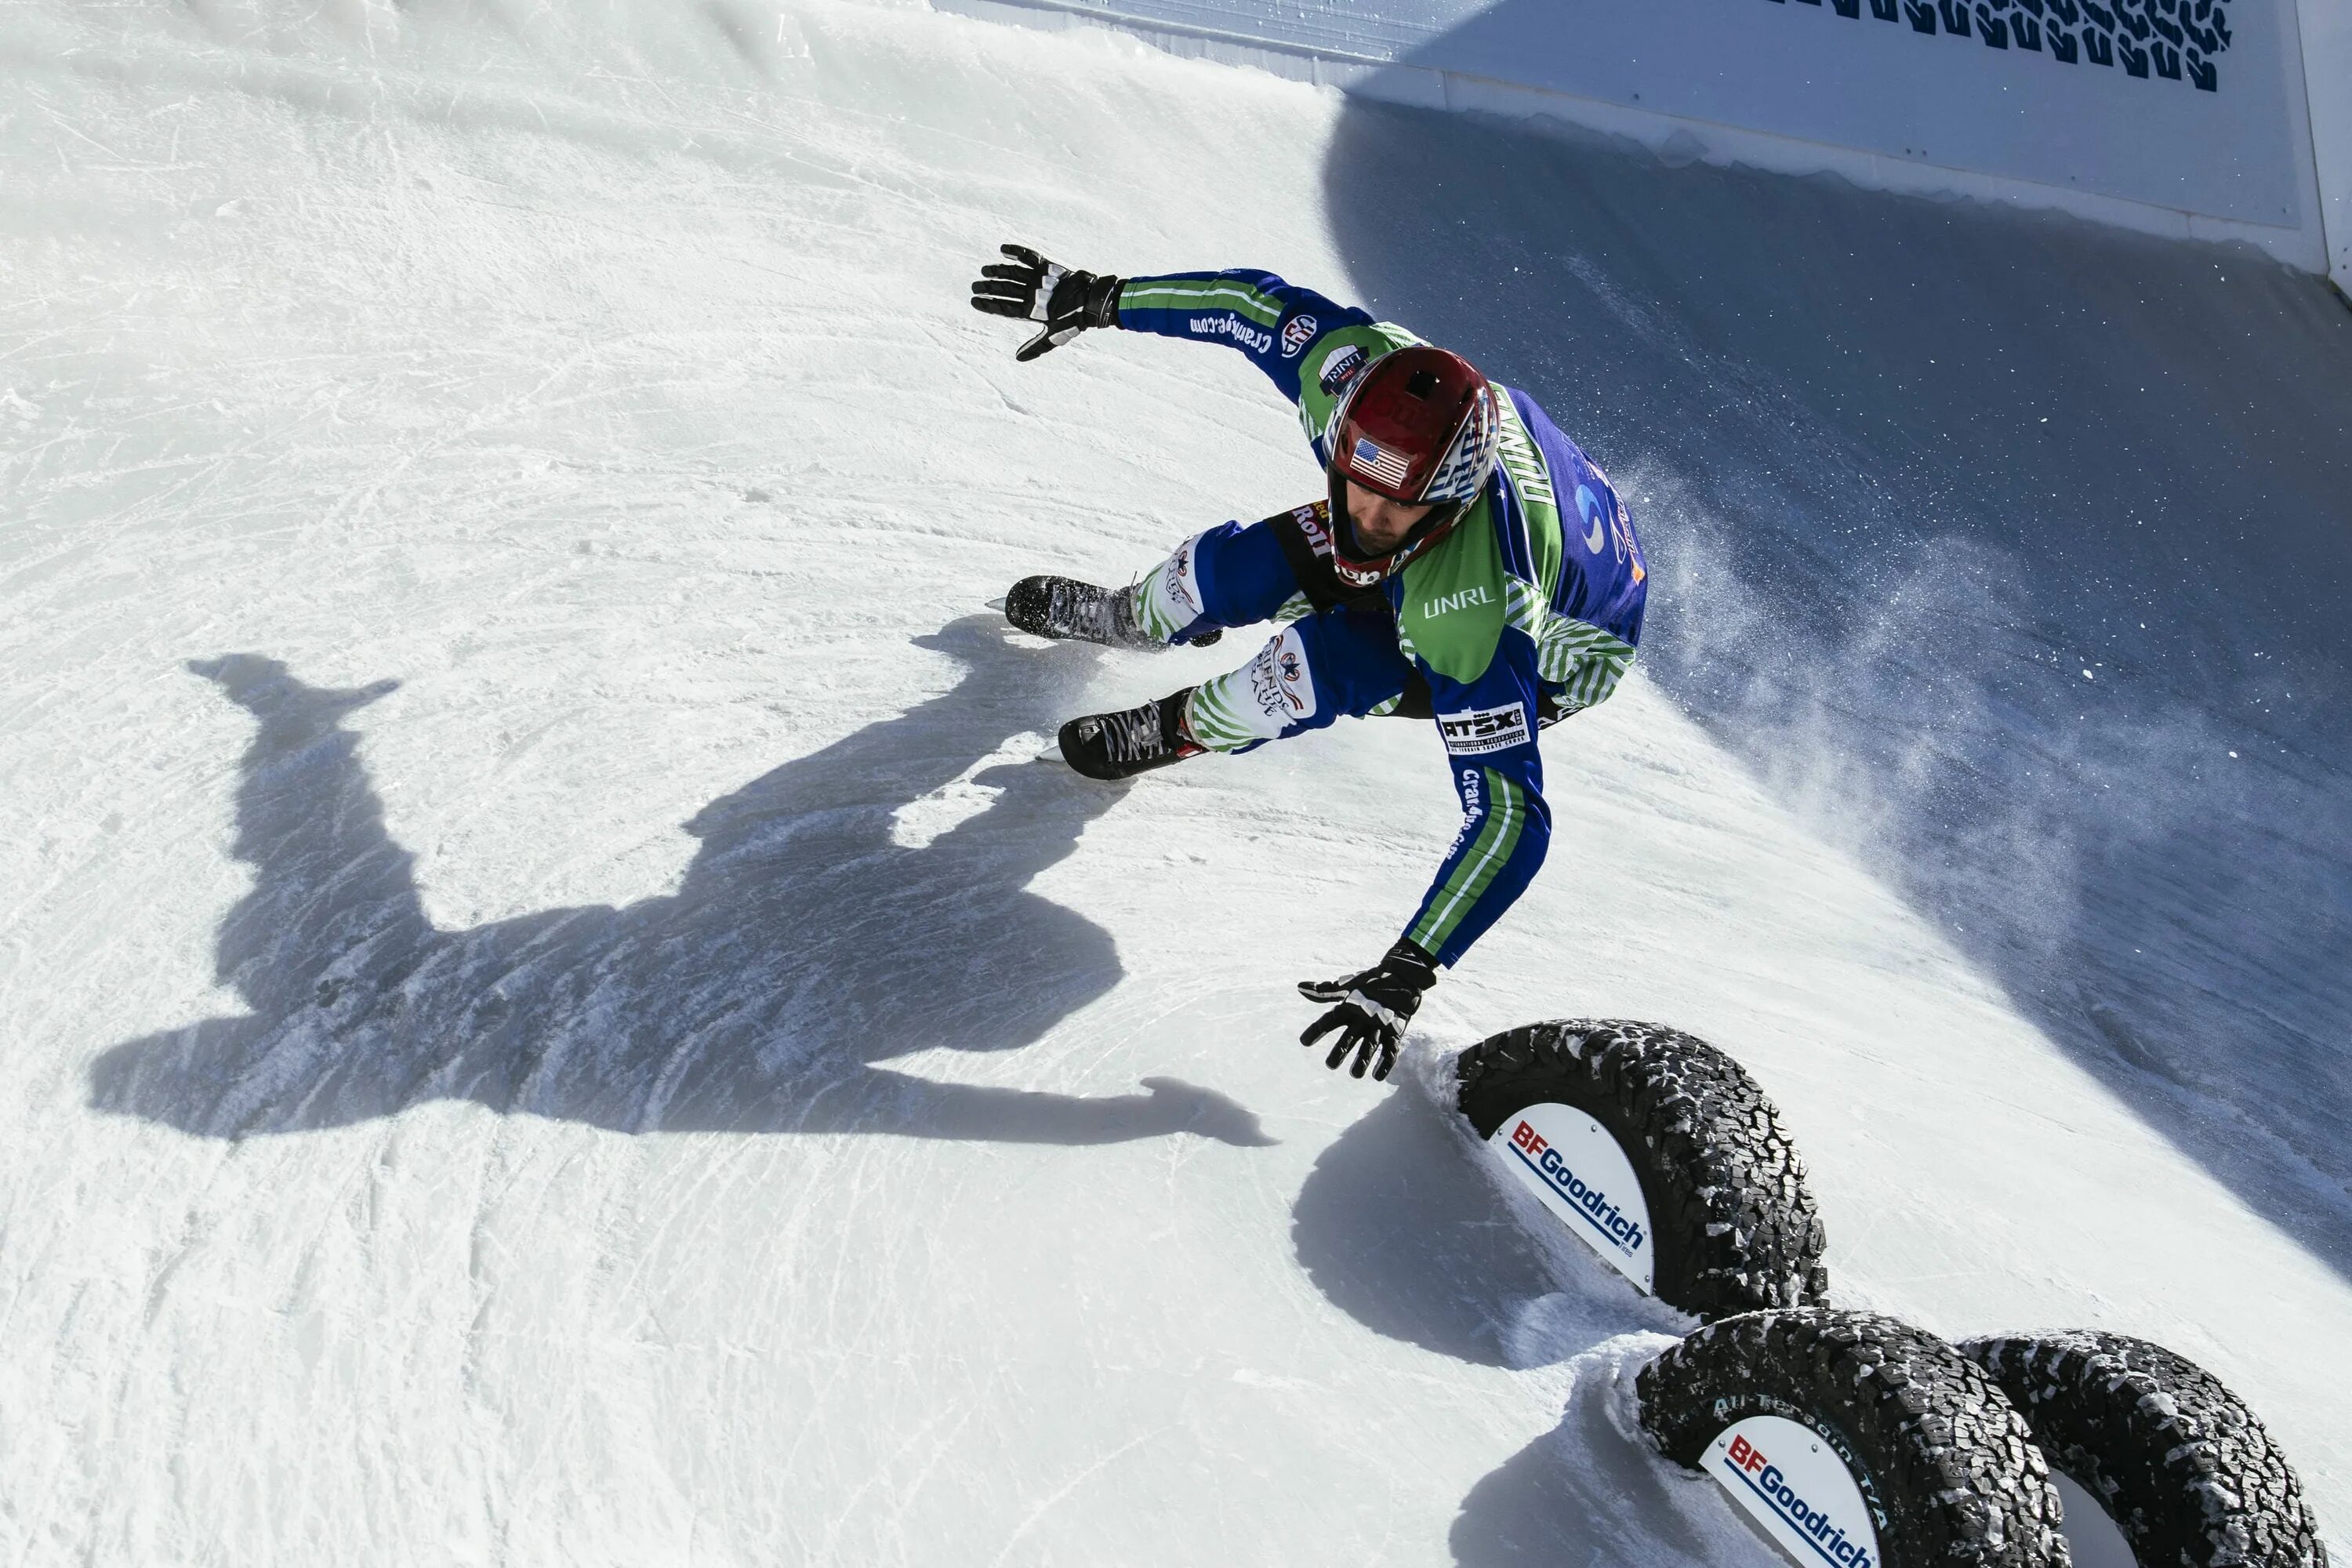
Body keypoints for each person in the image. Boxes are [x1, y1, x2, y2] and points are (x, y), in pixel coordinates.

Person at [971, 245, 1648, 1084]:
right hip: (1495, 515)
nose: (1362, 517)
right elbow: (1250, 306)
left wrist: (1410, 968)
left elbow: (1512, 818)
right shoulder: (1351, 370)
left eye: (1391, 510)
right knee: (1227, 574)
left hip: (1566, 648)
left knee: (1314, 667)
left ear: (1445, 499)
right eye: (1351, 483)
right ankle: (1129, 615)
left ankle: (1174, 731)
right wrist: (1100, 296)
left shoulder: (1478, 608)